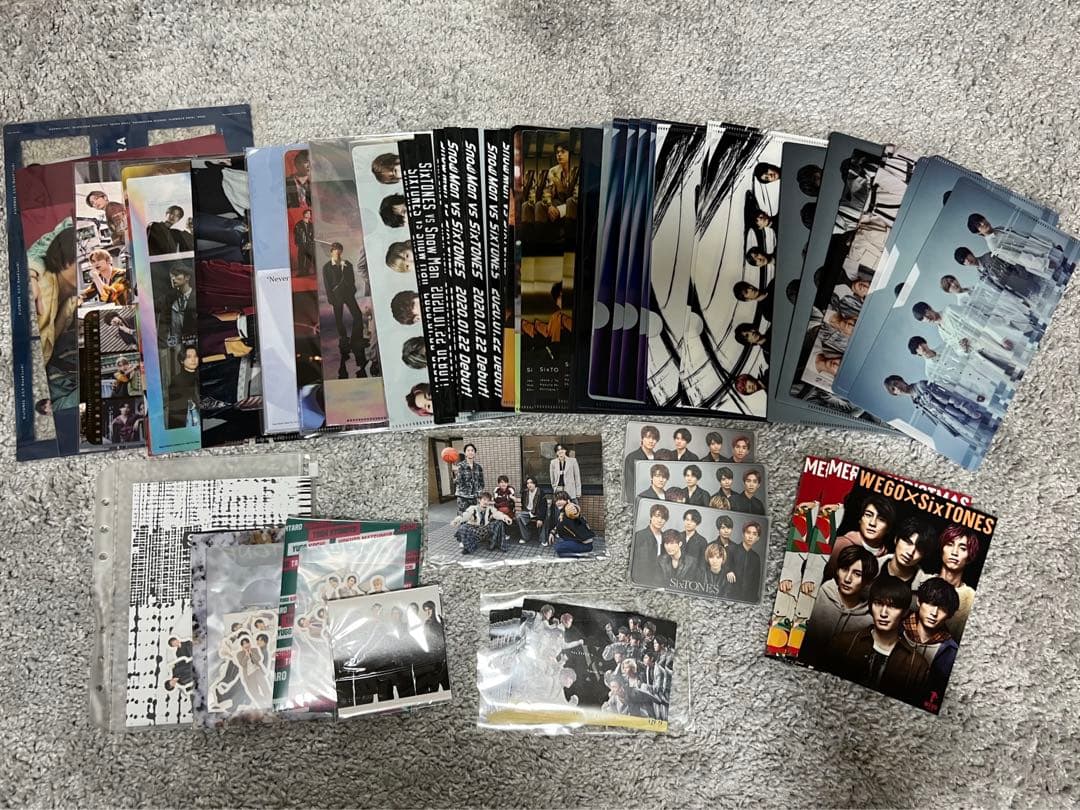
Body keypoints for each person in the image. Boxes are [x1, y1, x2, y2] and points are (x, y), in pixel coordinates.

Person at [826, 575, 928, 700]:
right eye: (878, 603)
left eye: (892, 606)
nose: (883, 613)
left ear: (905, 612)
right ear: (870, 606)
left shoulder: (917, 666)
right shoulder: (842, 643)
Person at [798, 545, 880, 669]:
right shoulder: (815, 595)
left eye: (857, 574)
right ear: (837, 570)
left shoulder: (869, 620)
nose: (847, 579)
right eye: (844, 569)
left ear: (867, 581)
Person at [884, 375, 1001, 446]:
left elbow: (950, 398)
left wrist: (970, 411)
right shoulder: (915, 402)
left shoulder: (921, 386)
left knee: (995, 430)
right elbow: (936, 418)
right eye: (893, 389)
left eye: (896, 383)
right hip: (958, 425)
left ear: (901, 380)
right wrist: (953, 430)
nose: (897, 388)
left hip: (965, 415)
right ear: (895, 394)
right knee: (988, 440)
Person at [913, 524, 980, 643]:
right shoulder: (921, 580)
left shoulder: (972, 598)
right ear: (942, 548)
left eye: (962, 548)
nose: (955, 552)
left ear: (970, 556)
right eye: (949, 544)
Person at [901, 577, 961, 707]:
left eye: (943, 608)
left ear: (950, 615)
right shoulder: (895, 630)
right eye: (931, 604)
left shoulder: (952, 652)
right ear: (919, 601)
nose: (934, 613)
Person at [824, 493, 895, 580]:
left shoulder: (887, 558)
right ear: (860, 519)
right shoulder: (838, 545)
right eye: (868, 515)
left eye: (881, 519)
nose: (872, 523)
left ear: (888, 528)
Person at [323, 242, 365, 378]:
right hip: (336, 296)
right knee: (339, 318)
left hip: (348, 293)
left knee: (357, 315)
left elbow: (352, 279)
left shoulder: (347, 264)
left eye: (339, 250)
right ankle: (343, 338)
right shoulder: (326, 267)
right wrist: (331, 298)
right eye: (335, 250)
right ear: (331, 252)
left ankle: (356, 338)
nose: (337, 252)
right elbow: (327, 285)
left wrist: (352, 289)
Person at [879, 516, 935, 587]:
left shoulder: (925, 585)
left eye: (919, 549)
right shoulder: (872, 567)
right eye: (908, 542)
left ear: (924, 555)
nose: (910, 552)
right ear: (896, 539)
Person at [547, 491, 597, 557]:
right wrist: (552, 532)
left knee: (559, 548)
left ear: (568, 500)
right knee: (560, 548)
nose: (558, 502)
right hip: (577, 540)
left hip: (585, 544)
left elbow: (574, 512)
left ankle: (581, 555)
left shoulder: (569, 509)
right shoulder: (562, 512)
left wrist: (574, 508)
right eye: (556, 500)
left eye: (561, 499)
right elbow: (559, 524)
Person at [158, 263, 196, 348]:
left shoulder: (195, 296)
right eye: (171, 276)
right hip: (178, 345)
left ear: (187, 277)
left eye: (176, 275)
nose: (173, 278)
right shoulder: (171, 300)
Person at [724, 521, 763, 602]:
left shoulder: (756, 558)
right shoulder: (731, 549)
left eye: (754, 534)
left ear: (757, 538)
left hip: (748, 599)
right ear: (743, 534)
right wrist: (728, 570)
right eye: (748, 532)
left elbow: (755, 583)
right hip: (729, 597)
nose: (750, 536)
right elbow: (721, 567)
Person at [632, 503, 668, 586]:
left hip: (660, 581)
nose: (660, 520)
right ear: (651, 517)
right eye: (657, 516)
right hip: (641, 579)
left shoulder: (666, 538)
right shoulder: (639, 536)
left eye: (663, 518)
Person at [542, 142, 579, 222]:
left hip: (574, 204)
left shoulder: (577, 170)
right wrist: (550, 206)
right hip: (559, 201)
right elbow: (547, 191)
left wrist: (560, 210)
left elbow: (577, 197)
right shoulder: (553, 171)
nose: (559, 154)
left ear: (570, 154)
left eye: (563, 152)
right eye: (557, 152)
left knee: (570, 202)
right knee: (539, 205)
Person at [167, 346, 200, 429]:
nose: (193, 359)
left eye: (195, 356)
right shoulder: (177, 380)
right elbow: (174, 411)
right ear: (182, 360)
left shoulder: (200, 376)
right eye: (189, 357)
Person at [624, 424, 660, 494]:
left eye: (654, 438)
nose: (651, 441)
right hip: (639, 495)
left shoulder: (658, 457)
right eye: (648, 437)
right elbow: (629, 485)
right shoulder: (631, 457)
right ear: (642, 438)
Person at [516, 476, 548, 545]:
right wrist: (525, 512)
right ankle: (526, 537)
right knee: (519, 517)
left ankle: (543, 539)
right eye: (527, 483)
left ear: (535, 484)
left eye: (531, 483)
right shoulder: (525, 492)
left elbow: (543, 507)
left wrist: (540, 518)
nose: (529, 485)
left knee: (545, 518)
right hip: (528, 512)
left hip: (538, 512)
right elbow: (523, 504)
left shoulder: (541, 492)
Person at [453, 443, 484, 513]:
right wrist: (456, 474)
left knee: (474, 516)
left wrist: (479, 493)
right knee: (463, 517)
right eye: (468, 450)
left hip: (474, 497)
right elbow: (457, 482)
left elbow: (481, 482)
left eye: (472, 450)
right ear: (465, 453)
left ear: (474, 453)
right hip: (463, 498)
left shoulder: (478, 467)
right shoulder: (460, 466)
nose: (470, 452)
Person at [293, 209, 315, 275]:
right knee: (301, 257)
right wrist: (297, 242)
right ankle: (301, 272)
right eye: (307, 213)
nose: (308, 215)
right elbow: (296, 234)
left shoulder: (311, 225)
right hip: (302, 243)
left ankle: (307, 271)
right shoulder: (298, 224)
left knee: (309, 258)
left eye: (309, 214)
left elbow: (313, 234)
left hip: (309, 243)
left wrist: (312, 242)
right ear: (304, 214)